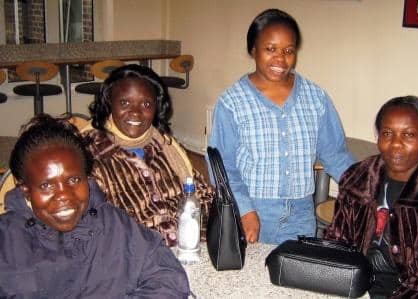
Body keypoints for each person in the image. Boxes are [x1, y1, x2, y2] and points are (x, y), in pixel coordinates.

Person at [0, 114, 190, 298]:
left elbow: (168, 277)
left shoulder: (115, 224)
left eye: (74, 180)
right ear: (26, 190)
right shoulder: (7, 240)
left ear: (87, 178)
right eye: (47, 185)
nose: (65, 196)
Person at [208, 8, 354, 244]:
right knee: (252, 279)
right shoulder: (232, 102)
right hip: (254, 212)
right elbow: (222, 167)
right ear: (253, 49)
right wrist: (244, 209)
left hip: (301, 213)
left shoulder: (315, 97)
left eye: (288, 51)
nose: (280, 58)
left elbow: (335, 153)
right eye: (270, 49)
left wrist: (368, 187)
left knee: (296, 277)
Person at [325, 96, 418, 298]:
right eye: (387, 133)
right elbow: (338, 240)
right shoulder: (358, 177)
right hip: (353, 287)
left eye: (408, 134)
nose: (396, 144)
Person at [83, 64, 213, 247]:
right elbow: (95, 225)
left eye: (146, 104)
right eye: (125, 103)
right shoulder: (89, 155)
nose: (136, 112)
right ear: (108, 102)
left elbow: (203, 195)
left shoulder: (166, 145)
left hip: (190, 245)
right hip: (134, 257)